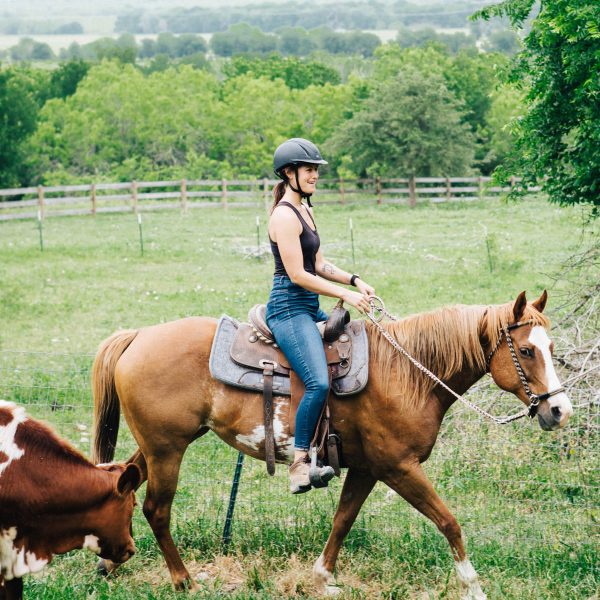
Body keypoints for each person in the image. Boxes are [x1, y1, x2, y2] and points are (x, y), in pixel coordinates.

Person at [265, 138, 375, 494]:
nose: (315, 175)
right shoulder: (283, 215)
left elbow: (320, 265)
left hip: (309, 306)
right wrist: (345, 295)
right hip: (287, 309)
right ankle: (298, 463)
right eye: (308, 169)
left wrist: (355, 280)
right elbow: (297, 274)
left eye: (316, 169)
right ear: (289, 173)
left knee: (352, 354)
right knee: (318, 381)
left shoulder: (305, 211)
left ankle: (335, 442)